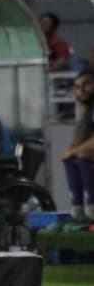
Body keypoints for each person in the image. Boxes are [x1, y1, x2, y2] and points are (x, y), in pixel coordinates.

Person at [62, 72, 94, 222]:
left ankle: (91, 207)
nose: (81, 91)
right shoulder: (88, 111)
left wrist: (74, 151)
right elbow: (79, 140)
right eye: (77, 87)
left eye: (86, 85)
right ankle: (78, 210)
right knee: (70, 157)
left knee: (81, 156)